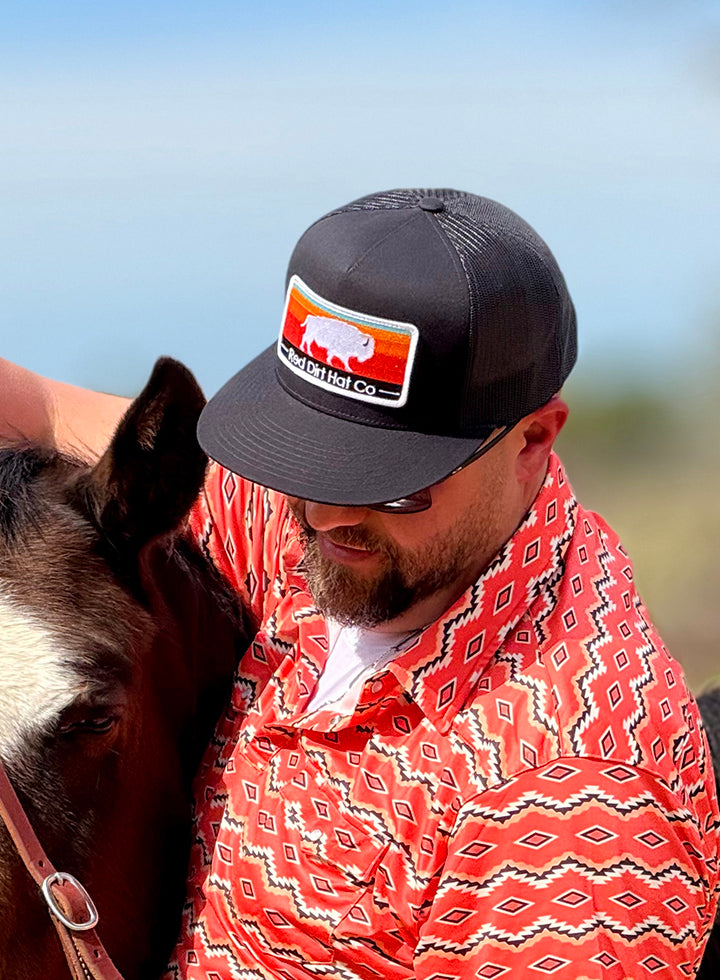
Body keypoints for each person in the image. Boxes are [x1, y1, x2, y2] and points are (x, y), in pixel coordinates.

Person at [2, 188, 719, 978]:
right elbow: (36, 407)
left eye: (391, 484)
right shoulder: (343, 538)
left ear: (532, 440)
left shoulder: (567, 803)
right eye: (306, 455)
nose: (326, 513)